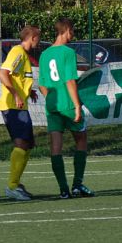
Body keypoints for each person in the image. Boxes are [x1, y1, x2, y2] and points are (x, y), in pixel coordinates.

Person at [38, 18, 94, 198]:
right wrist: (77, 105)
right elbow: (70, 80)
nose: (73, 35)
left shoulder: (44, 54)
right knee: (81, 140)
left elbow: (42, 85)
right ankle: (77, 185)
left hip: (52, 106)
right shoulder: (68, 52)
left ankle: (63, 189)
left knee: (56, 147)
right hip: (68, 104)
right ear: (67, 30)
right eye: (73, 31)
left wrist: (51, 99)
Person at [0, 24, 41, 201]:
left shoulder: (23, 55)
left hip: (19, 107)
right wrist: (15, 94)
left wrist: (27, 91)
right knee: (22, 143)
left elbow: (17, 77)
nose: (38, 42)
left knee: (28, 144)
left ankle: (15, 183)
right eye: (38, 38)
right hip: (12, 106)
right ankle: (12, 186)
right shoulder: (18, 52)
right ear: (33, 38)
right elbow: (2, 73)